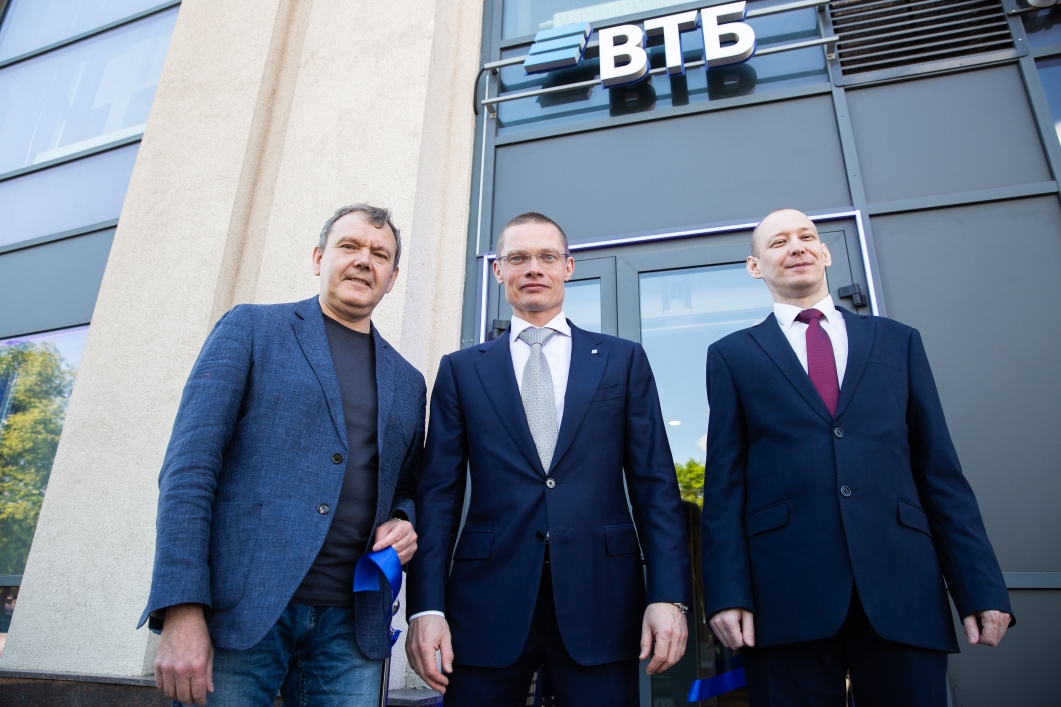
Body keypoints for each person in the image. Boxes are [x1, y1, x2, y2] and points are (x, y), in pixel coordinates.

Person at [701, 208, 1013, 706]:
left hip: (903, 589)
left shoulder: (898, 341)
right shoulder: (732, 355)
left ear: (825, 253)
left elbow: (939, 472)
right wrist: (727, 593)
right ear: (755, 267)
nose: (797, 247)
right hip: (785, 596)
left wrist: (980, 588)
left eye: (807, 236)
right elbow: (724, 486)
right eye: (778, 242)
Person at [139, 204, 427, 707]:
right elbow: (189, 470)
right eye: (349, 246)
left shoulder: (408, 381)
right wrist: (182, 608)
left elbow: (405, 487)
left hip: (352, 623)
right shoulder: (252, 329)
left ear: (392, 278)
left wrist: (403, 520)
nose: (364, 260)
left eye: (380, 254)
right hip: (241, 612)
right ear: (318, 258)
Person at [406, 212, 692, 707]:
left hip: (602, 600)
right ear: (498, 271)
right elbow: (438, 497)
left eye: (546, 257)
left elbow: (656, 486)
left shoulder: (622, 361)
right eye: (518, 258)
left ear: (568, 267)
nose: (533, 268)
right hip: (485, 605)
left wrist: (668, 594)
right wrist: (425, 608)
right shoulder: (461, 370)